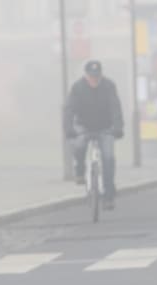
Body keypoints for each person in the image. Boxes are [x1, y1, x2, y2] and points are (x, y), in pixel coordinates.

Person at [63, 60, 124, 210]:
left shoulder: (109, 86)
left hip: (105, 127)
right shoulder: (78, 88)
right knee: (79, 144)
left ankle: (109, 196)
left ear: (101, 75)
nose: (94, 80)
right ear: (86, 75)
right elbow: (69, 109)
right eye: (91, 77)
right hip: (84, 125)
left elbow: (115, 107)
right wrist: (69, 128)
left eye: (97, 77)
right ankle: (79, 170)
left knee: (108, 158)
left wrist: (118, 127)